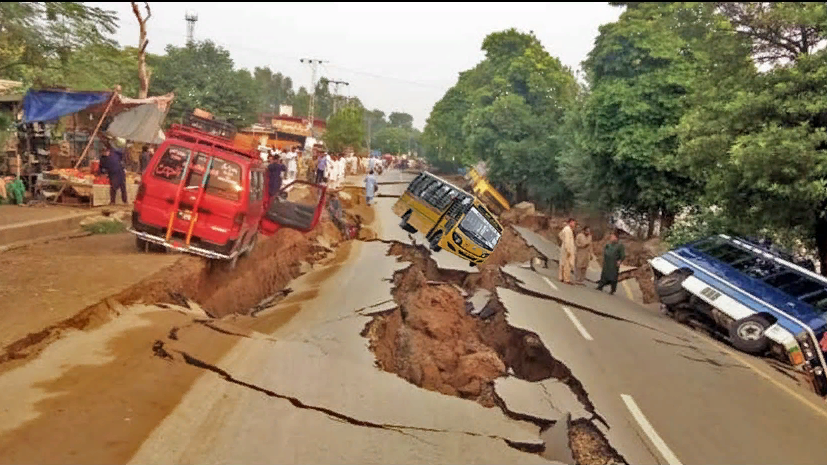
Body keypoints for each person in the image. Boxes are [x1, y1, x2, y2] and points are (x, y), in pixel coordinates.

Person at [597, 230, 626, 295]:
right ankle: (600, 286)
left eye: (612, 236)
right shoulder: (608, 244)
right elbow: (605, 250)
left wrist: (620, 261)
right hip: (607, 263)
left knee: (613, 277)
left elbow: (623, 255)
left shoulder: (620, 246)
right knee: (604, 275)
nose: (611, 237)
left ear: (616, 238)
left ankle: (612, 289)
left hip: (613, 264)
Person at [100, 136, 128, 205]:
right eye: (103, 151)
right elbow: (102, 167)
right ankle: (113, 201)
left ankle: (125, 201)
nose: (105, 152)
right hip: (113, 174)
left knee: (123, 188)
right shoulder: (103, 159)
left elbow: (122, 153)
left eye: (106, 151)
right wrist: (103, 172)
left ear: (108, 150)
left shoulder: (116, 153)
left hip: (120, 172)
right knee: (113, 188)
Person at [557, 218, 577, 285]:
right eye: (574, 223)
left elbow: (560, 235)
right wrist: (568, 250)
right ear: (570, 222)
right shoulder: (568, 230)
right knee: (567, 265)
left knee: (562, 263)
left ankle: (561, 277)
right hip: (567, 249)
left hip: (564, 248)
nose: (574, 224)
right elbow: (567, 240)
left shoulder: (566, 229)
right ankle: (566, 279)